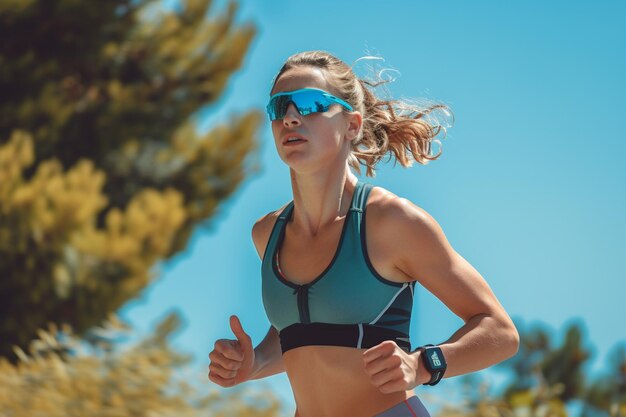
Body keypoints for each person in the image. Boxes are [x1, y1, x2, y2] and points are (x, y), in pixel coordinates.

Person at [208, 50, 520, 417]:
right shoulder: (267, 234)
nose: (291, 117)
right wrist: (254, 363)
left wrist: (422, 364)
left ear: (352, 125)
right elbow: (307, 333)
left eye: (311, 104)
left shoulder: (392, 222)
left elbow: (500, 332)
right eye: (280, 107)